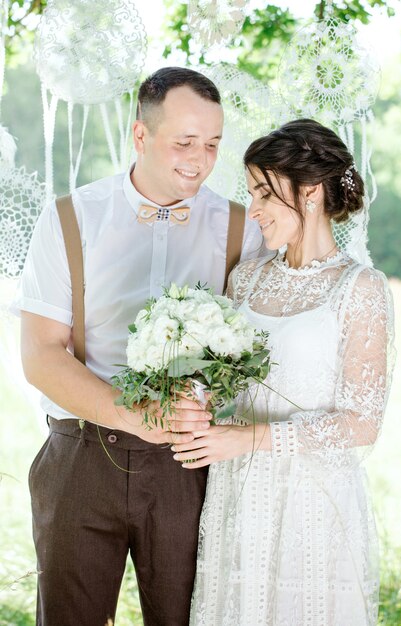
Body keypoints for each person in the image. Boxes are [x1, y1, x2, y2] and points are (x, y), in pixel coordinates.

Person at [13, 67, 263, 626]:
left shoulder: (242, 229)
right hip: (80, 455)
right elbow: (41, 354)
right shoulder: (69, 219)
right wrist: (132, 412)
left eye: (213, 145)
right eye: (184, 143)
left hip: (189, 464)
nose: (200, 160)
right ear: (140, 136)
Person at [171, 119, 395, 626]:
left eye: (264, 194)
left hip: (314, 504)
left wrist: (250, 438)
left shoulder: (361, 288)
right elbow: (219, 376)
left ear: (310, 192)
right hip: (238, 493)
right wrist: (194, 395)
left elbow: (362, 422)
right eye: (251, 193)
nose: (253, 210)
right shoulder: (245, 278)